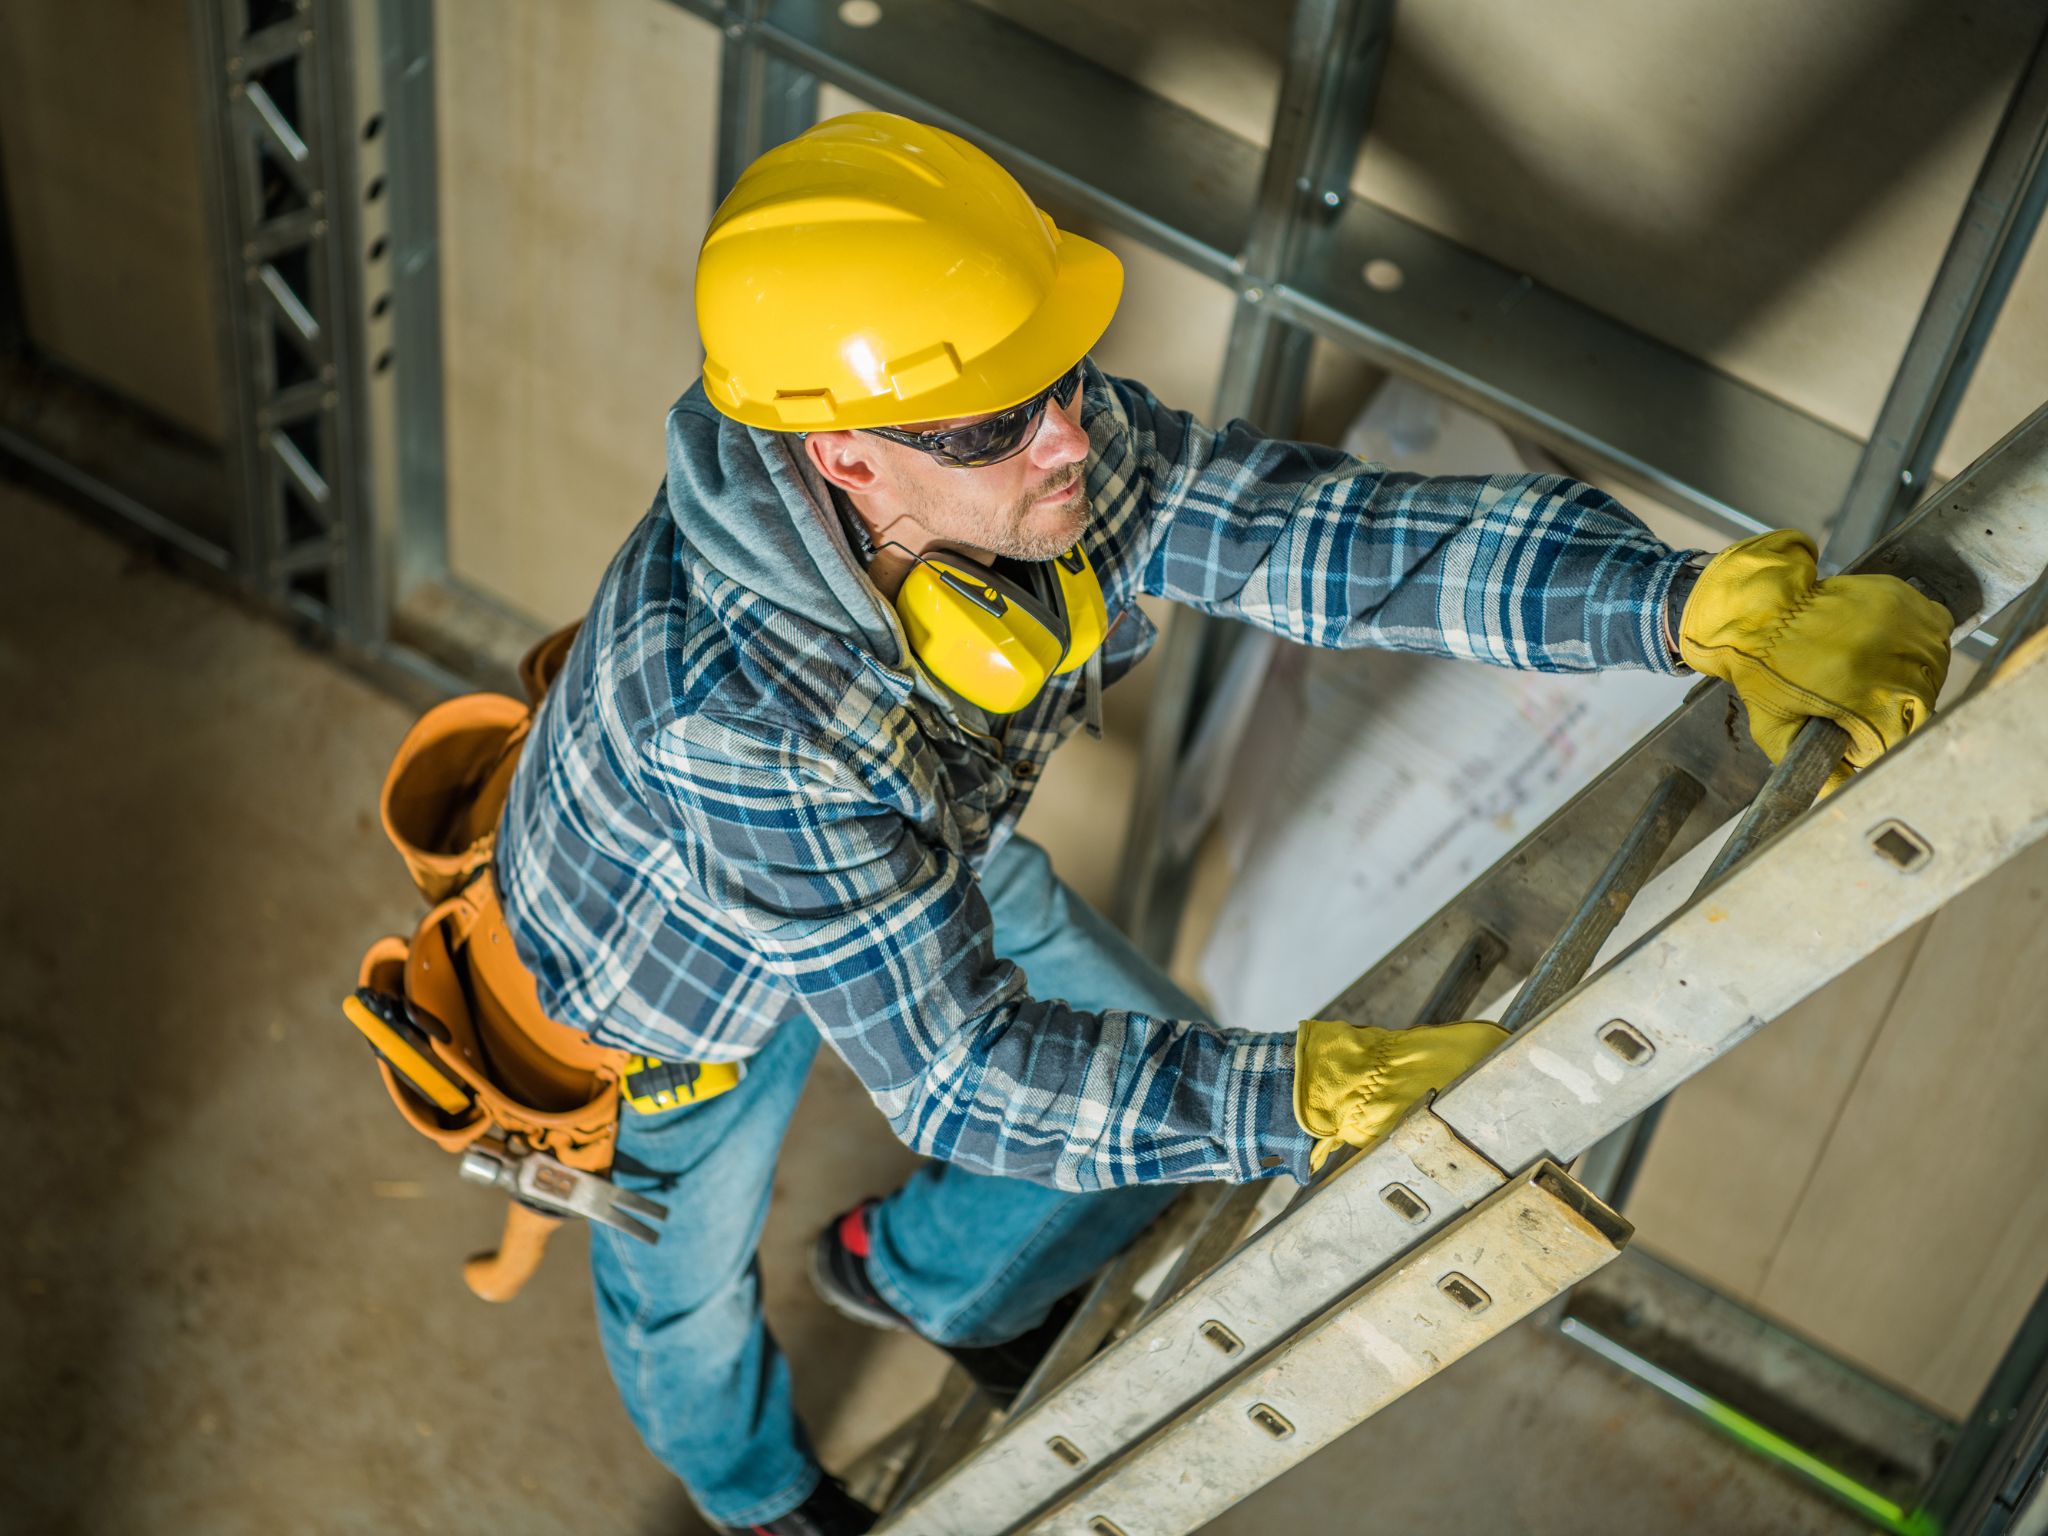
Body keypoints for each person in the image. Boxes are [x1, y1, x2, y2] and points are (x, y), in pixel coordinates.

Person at [494, 112, 1951, 1535]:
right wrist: (1287, 1099)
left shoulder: (1037, 457)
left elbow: (1321, 537)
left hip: (902, 841)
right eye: (1001, 415)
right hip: (669, 978)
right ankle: (753, 1500)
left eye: (1058, 372)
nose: (1067, 433)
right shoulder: (737, 715)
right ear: (842, 455)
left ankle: (918, 1275)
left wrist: (1677, 609)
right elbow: (964, 1076)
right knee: (682, 1292)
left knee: (1141, 1060)